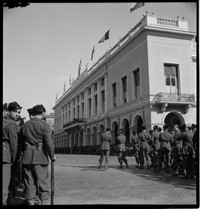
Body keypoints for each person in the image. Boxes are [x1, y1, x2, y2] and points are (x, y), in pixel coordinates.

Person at [19, 104, 55, 205]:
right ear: (43, 113)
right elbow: (49, 143)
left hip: (27, 157)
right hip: (40, 157)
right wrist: (52, 156)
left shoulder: (24, 126)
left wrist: (26, 150)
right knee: (42, 181)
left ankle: (30, 202)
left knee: (29, 182)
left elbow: (21, 143)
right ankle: (43, 202)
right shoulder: (44, 126)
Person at [3, 101, 22, 205]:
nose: (17, 114)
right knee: (5, 186)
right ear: (8, 112)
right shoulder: (11, 124)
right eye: (15, 112)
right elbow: (14, 144)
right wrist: (14, 159)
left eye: (18, 112)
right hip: (6, 157)